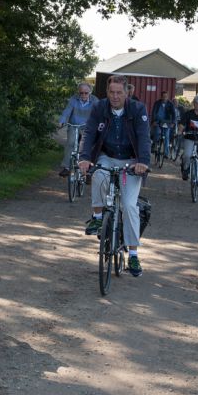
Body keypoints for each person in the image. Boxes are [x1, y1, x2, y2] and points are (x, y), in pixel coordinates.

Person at [77, 75, 151, 276]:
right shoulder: (99, 108)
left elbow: (144, 137)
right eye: (112, 92)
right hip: (107, 155)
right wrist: (84, 158)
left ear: (127, 93)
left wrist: (143, 162)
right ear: (107, 92)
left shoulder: (137, 109)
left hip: (131, 161)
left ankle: (133, 255)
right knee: (99, 174)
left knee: (128, 205)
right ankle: (98, 217)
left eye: (119, 92)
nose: (115, 96)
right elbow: (90, 132)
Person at [57, 82, 96, 176]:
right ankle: (66, 167)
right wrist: (62, 121)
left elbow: (98, 113)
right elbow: (67, 110)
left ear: (90, 92)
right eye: (81, 93)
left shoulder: (95, 100)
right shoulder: (74, 99)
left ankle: (88, 169)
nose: (83, 95)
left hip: (87, 127)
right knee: (70, 143)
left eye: (86, 93)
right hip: (73, 125)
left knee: (87, 146)